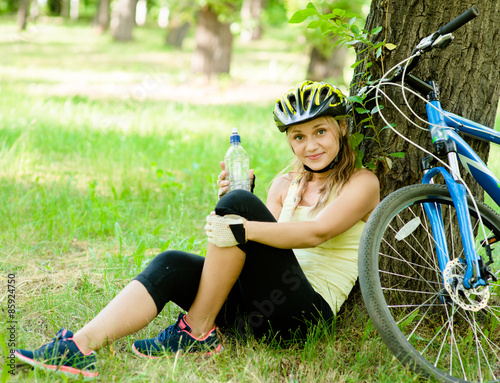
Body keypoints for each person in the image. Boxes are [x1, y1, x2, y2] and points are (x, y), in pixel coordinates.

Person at [15, 81, 380, 379]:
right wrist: (240, 202)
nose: (310, 145)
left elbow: (315, 233)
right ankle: (79, 347)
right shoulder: (285, 185)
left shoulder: (362, 183)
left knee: (239, 211)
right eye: (298, 137)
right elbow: (257, 247)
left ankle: (196, 330)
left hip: (302, 316)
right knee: (172, 262)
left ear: (342, 128)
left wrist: (240, 219)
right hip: (252, 314)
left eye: (320, 131)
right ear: (289, 140)